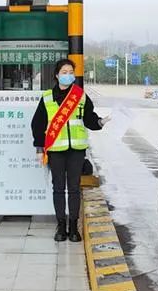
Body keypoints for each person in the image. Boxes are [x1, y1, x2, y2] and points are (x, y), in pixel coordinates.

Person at [31, 59, 110, 242]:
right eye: (64, 72)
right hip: (55, 150)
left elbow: (89, 119)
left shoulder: (80, 96)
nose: (68, 75)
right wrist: (39, 148)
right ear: (57, 75)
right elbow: (37, 124)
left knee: (74, 188)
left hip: (76, 150)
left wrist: (100, 122)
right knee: (58, 188)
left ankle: (73, 227)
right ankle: (61, 227)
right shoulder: (47, 97)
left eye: (71, 72)